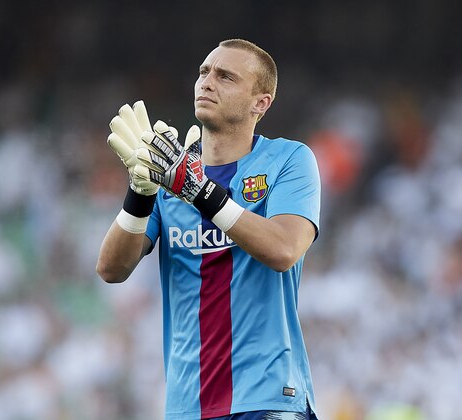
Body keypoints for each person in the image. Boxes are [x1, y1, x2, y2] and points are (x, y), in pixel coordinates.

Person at [97, 39, 321, 420]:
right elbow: (111, 269)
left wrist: (198, 190)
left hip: (268, 399)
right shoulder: (171, 174)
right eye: (203, 72)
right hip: (187, 405)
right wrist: (142, 190)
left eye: (225, 76)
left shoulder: (290, 159)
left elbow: (284, 250)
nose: (206, 82)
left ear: (260, 103)